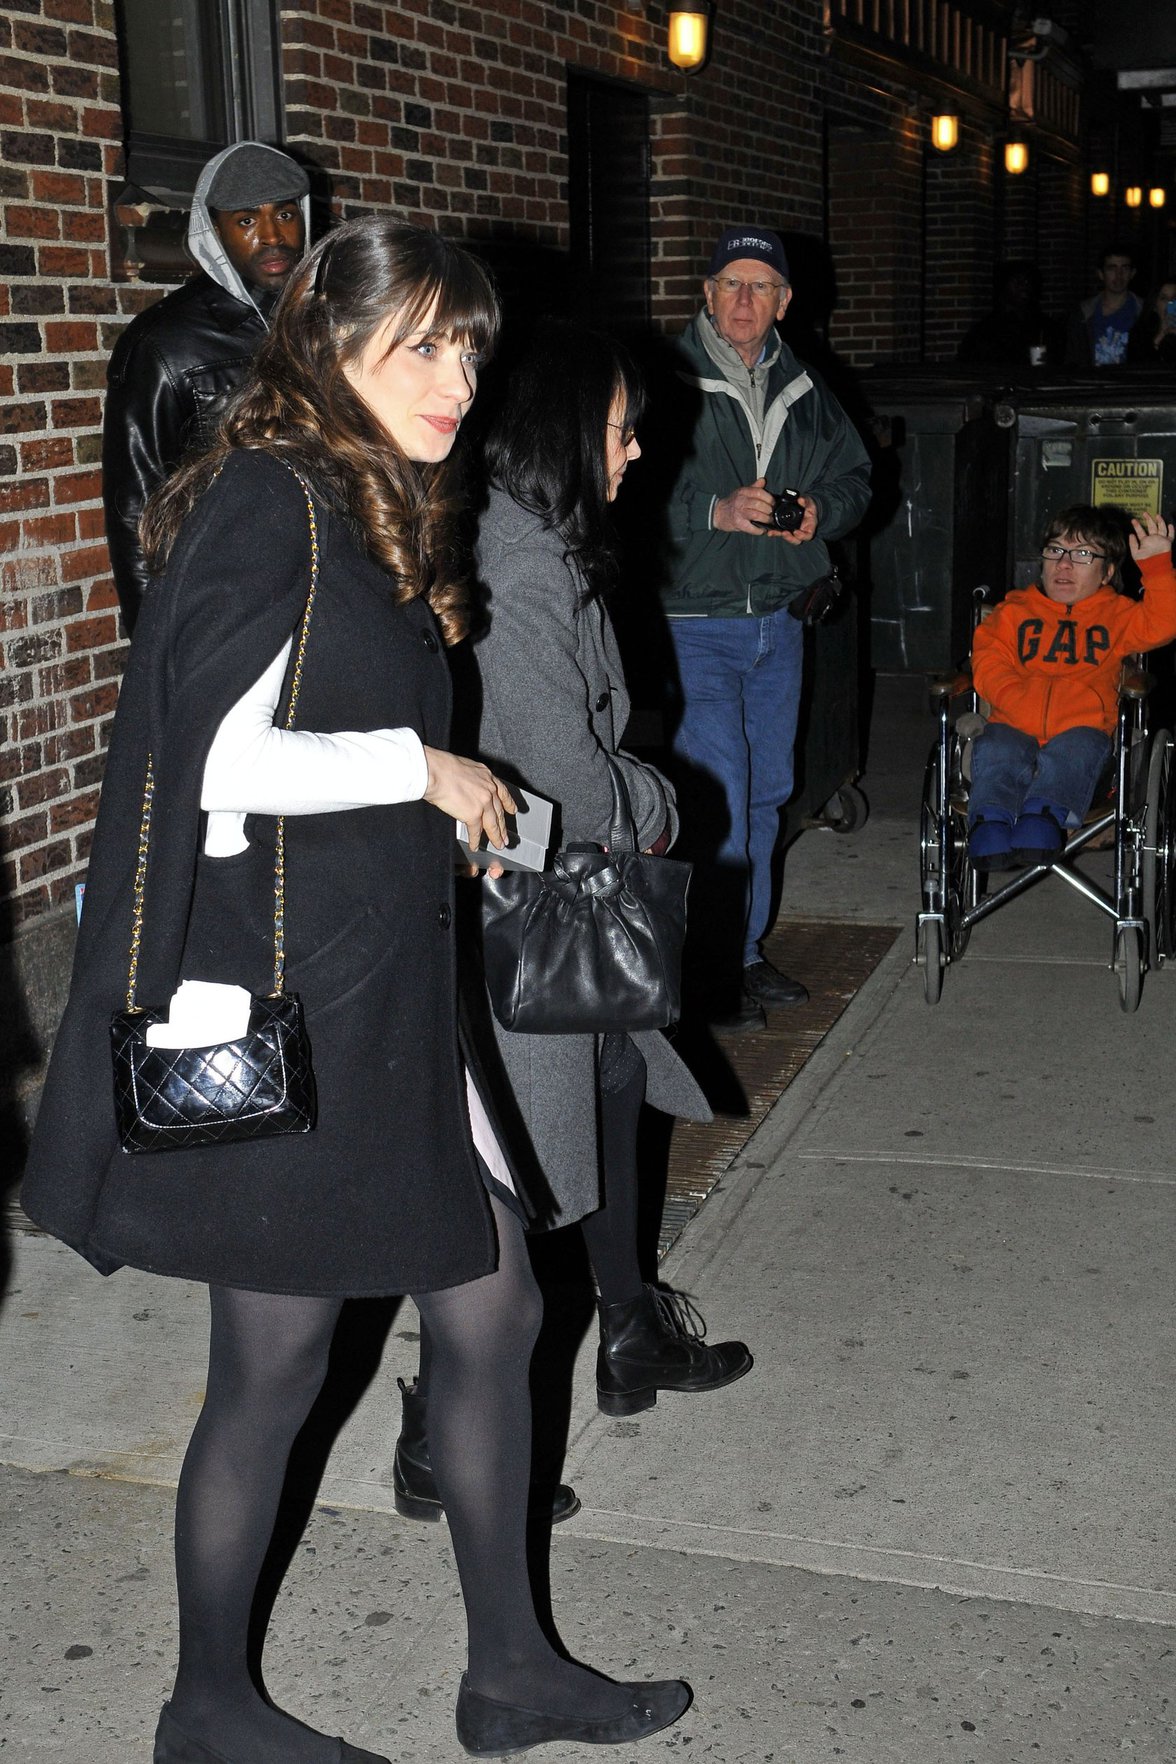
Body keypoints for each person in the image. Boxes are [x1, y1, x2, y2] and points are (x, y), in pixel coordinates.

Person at [21, 218, 691, 1763]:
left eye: (468, 344)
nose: (457, 376)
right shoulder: (272, 498)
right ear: (331, 348)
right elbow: (216, 761)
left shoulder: (367, 497)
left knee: (501, 1298)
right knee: (269, 1371)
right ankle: (207, 1706)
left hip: (380, 992)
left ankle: (510, 1672)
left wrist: (446, 824)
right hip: (297, 1010)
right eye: (422, 344)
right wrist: (425, 766)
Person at [389, 323, 751, 1504]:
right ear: (558, 431)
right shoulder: (516, 558)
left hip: (556, 897)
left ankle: (633, 1330)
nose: (638, 449)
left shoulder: (542, 540)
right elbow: (576, 778)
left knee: (608, 1103)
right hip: (522, 901)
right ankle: (441, 1435)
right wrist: (659, 797)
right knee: (512, 1176)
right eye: (618, 427)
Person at [661, 225, 872, 1030]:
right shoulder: (665, 377)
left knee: (769, 794)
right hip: (695, 622)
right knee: (719, 796)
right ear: (706, 294)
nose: (744, 301)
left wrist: (822, 512)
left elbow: (858, 478)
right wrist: (712, 510)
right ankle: (707, 965)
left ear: (784, 302)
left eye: (762, 287)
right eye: (731, 284)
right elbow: (616, 485)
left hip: (780, 624)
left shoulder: (805, 386)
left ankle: (742, 952)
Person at [102, 141, 310, 632]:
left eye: (284, 214)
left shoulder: (327, 324)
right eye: (245, 221)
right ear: (212, 230)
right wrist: (157, 644)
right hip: (228, 608)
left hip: (328, 593)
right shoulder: (163, 344)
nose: (272, 237)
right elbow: (137, 509)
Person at [967, 506, 1176, 870]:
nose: (1064, 564)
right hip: (1013, 723)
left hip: (1083, 733)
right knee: (997, 746)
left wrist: (1157, 566)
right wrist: (1016, 698)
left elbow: (1163, 622)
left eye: (1082, 554)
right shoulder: (1013, 612)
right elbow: (988, 662)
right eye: (1055, 550)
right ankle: (991, 820)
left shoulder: (1118, 615)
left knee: (1078, 748)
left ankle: (1043, 816)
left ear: (1107, 572)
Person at [957, 261, 1061, 368]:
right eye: (1018, 281)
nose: (1024, 286)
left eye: (1027, 281)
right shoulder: (986, 330)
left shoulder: (1044, 326)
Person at [1065, 246, 1143, 369]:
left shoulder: (1144, 311)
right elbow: (1073, 358)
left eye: (1125, 268)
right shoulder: (1084, 313)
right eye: (1112, 269)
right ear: (1101, 274)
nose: (1119, 275)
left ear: (1132, 273)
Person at [1128, 280, 1176, 366]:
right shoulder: (1140, 334)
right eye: (1164, 299)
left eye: (1174, 298)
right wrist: (1159, 338)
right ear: (1155, 305)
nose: (1170, 303)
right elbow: (1139, 368)